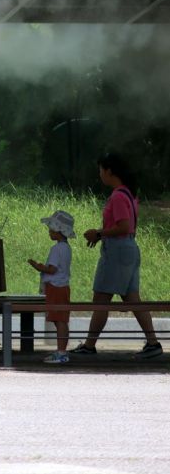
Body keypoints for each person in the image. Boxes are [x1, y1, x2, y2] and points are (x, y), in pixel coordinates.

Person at [71, 153, 162, 359]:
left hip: (117, 252)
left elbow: (123, 226)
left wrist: (99, 233)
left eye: (101, 170)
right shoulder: (129, 194)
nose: (100, 174)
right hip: (128, 249)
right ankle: (153, 342)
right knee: (132, 299)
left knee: (101, 297)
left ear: (109, 171)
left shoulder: (118, 196)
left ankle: (89, 345)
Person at [27, 210, 74, 364]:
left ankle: (62, 352)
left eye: (51, 228)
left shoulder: (56, 249)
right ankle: (61, 350)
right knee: (60, 320)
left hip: (55, 287)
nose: (49, 231)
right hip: (63, 286)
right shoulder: (66, 248)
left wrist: (37, 266)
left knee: (59, 320)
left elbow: (52, 269)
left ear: (58, 231)